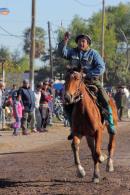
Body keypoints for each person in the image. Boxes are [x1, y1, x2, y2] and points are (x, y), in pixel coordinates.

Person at [58, 32, 116, 140]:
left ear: (88, 43)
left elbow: (101, 68)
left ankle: (110, 123)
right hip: (75, 83)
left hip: (91, 81)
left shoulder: (94, 54)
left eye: (83, 41)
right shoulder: (72, 52)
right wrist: (65, 40)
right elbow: (62, 53)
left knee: (105, 99)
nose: (81, 43)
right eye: (79, 41)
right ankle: (73, 128)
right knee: (66, 103)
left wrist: (86, 74)